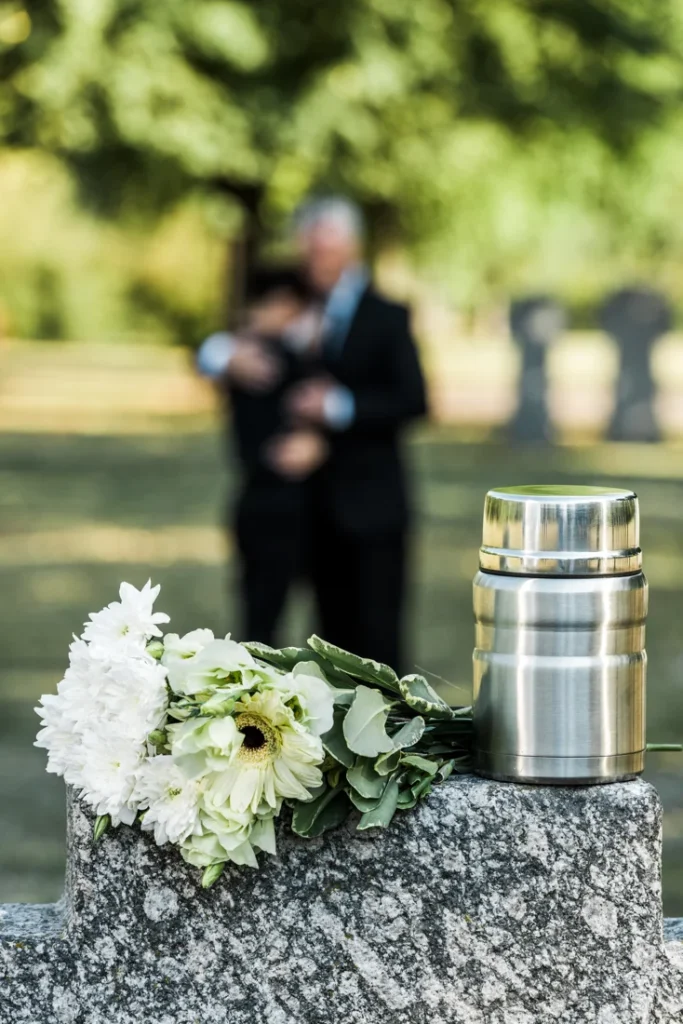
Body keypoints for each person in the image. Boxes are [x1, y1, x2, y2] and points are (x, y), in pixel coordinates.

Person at [288, 198, 427, 673]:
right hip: (313, 509)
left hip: (374, 507)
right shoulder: (292, 306)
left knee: (379, 641)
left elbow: (415, 400)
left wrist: (338, 406)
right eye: (310, 249)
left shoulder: (386, 315)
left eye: (327, 249)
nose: (317, 259)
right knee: (329, 644)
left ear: (351, 247)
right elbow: (229, 339)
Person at [197, 267, 328, 646]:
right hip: (275, 505)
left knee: (260, 627)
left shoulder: (251, 355)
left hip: (278, 505)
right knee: (267, 624)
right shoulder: (264, 357)